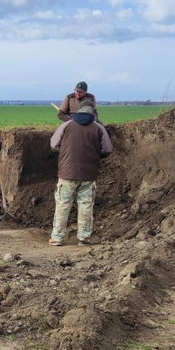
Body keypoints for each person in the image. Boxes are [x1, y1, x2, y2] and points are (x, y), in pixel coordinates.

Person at [48, 100, 112, 246]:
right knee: (86, 205)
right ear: (92, 111)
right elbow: (107, 150)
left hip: (67, 173)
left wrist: (65, 152)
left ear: (79, 110)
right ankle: (84, 238)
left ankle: (57, 238)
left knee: (63, 204)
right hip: (89, 174)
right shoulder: (98, 128)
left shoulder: (66, 125)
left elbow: (54, 144)